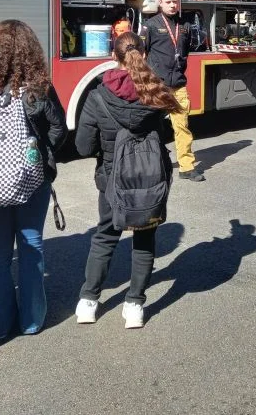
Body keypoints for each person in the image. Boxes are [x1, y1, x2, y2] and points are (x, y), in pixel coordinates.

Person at [0, 20, 67, 339]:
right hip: (31, 179)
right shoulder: (37, 88)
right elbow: (59, 130)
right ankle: (31, 321)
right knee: (31, 246)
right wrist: (37, 153)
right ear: (30, 51)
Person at [74, 32, 179, 328]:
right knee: (144, 238)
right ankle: (134, 306)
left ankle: (88, 302)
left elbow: (82, 146)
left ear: (113, 57)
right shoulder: (155, 92)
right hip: (150, 178)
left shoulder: (97, 96)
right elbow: (164, 135)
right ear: (143, 55)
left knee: (105, 236)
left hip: (111, 180)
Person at [141, 0, 203, 182]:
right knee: (150, 127)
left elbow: (186, 51)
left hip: (178, 84)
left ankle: (186, 167)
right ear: (160, 3)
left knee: (182, 126)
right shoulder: (150, 25)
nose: (172, 5)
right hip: (157, 85)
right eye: (168, 2)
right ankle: (150, 167)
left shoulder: (184, 25)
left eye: (175, 1)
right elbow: (142, 55)